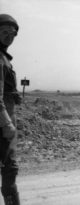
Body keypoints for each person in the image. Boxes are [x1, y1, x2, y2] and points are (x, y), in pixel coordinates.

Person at [0, 14, 22, 205]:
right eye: (4, 32)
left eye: (12, 33)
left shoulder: (4, 59)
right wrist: (7, 125)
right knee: (10, 170)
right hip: (2, 125)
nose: (9, 36)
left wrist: (14, 94)